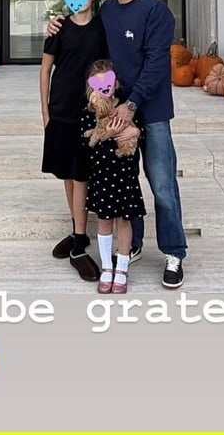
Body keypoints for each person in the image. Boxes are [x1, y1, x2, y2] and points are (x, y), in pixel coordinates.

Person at [47, 0, 188, 288]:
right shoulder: (107, 10)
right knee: (124, 182)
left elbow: (156, 64)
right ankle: (133, 243)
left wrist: (133, 104)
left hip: (148, 112)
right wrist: (56, 21)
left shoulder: (155, 12)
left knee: (162, 183)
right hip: (112, 112)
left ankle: (173, 253)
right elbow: (80, 22)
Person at [40, 0, 108, 282]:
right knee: (68, 174)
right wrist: (45, 114)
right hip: (61, 111)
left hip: (90, 111)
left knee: (82, 174)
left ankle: (80, 239)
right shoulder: (59, 28)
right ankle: (77, 230)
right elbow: (45, 71)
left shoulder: (102, 27)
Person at [80, 59, 144, 294]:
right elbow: (86, 142)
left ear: (116, 84)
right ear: (92, 89)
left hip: (125, 175)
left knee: (124, 221)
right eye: (99, 85)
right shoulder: (89, 112)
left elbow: (141, 132)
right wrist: (108, 133)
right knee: (105, 221)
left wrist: (134, 130)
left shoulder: (127, 107)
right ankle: (107, 267)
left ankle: (122, 267)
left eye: (108, 82)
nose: (105, 88)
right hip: (103, 177)